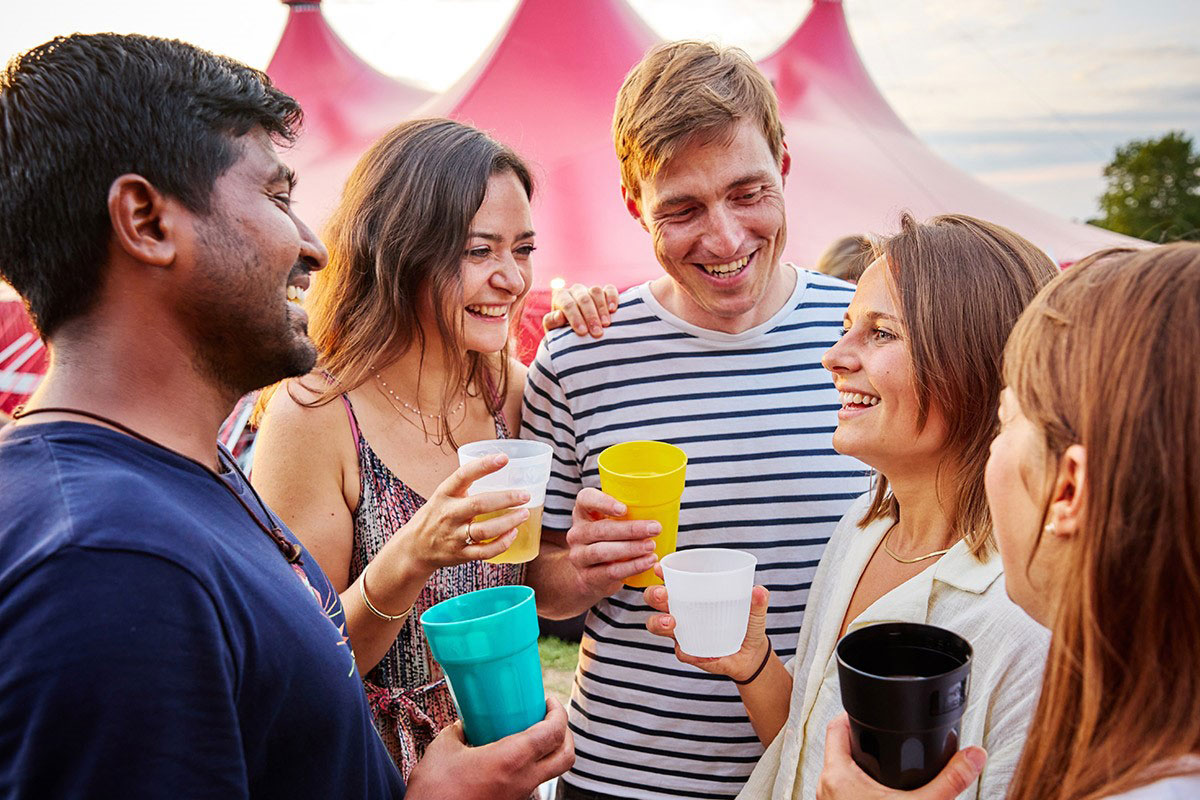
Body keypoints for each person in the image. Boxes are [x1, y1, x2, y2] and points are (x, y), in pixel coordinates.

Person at [0, 32, 571, 798]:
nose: (314, 245)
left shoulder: (183, 481)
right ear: (146, 219)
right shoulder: (105, 563)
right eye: (274, 196)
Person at [519, 41, 870, 799]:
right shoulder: (581, 357)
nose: (723, 238)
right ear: (630, 201)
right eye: (681, 209)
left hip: (823, 774)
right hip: (625, 779)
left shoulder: (861, 337)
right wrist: (578, 568)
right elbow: (538, 585)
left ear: (783, 162)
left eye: (747, 192)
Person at [646, 213, 1058, 799]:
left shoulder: (1021, 616)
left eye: (881, 333)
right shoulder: (863, 529)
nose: (834, 355)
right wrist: (756, 663)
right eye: (846, 328)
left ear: (973, 363)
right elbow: (807, 755)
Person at [250, 117, 612, 775]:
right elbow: (302, 662)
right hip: (374, 768)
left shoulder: (510, 388)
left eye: (523, 249)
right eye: (479, 252)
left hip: (502, 754)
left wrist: (584, 563)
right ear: (400, 252)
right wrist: (412, 554)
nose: (511, 279)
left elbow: (535, 583)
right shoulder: (316, 414)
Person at [818, 243, 1200, 800]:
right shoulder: (864, 523)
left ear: (1069, 488)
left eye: (1008, 418)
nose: (834, 355)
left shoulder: (1028, 634)